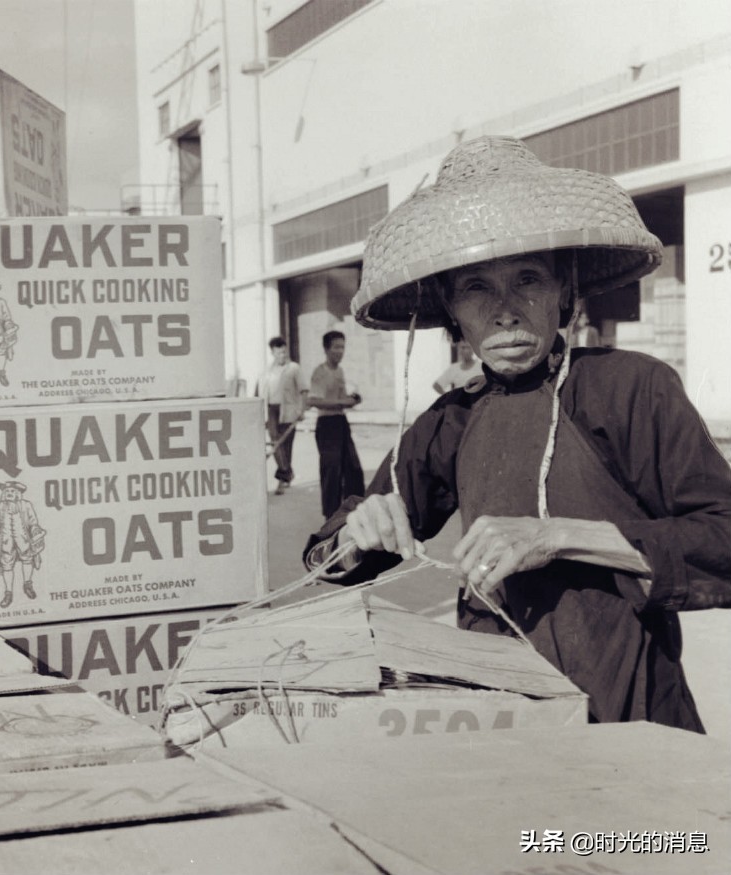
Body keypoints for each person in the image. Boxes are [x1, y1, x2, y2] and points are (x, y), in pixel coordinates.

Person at [304, 136, 731, 732]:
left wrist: (556, 537)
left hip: (632, 711)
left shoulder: (632, 388)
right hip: (501, 714)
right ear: (453, 311)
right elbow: (327, 556)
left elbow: (723, 540)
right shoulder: (451, 418)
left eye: (527, 278)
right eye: (477, 287)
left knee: (631, 835)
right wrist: (357, 533)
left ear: (565, 293)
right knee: (526, 831)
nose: (504, 310)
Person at [307, 330, 366, 519]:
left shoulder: (340, 371)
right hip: (326, 424)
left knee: (353, 468)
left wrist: (353, 399)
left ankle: (353, 511)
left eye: (343, 347)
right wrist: (342, 403)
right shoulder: (319, 372)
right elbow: (313, 401)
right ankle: (330, 517)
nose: (340, 351)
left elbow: (341, 398)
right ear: (326, 349)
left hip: (341, 422)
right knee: (331, 471)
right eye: (336, 347)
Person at [256, 337, 308, 495]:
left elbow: (304, 390)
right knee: (275, 443)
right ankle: (286, 473)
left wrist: (301, 410)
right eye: (279, 352)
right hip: (271, 410)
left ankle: (283, 478)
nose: (282, 355)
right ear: (272, 352)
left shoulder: (294, 368)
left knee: (285, 445)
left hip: (289, 411)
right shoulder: (267, 371)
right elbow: (259, 392)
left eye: (284, 352)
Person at [0, 481, 46, 609]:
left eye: (12, 491)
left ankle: (28, 585)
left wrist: (36, 532)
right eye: (7, 492)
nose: (9, 494)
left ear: (17, 493)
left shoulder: (26, 505)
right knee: (7, 566)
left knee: (28, 561)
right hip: (6, 543)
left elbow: (33, 522)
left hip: (24, 541)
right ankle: (8, 593)